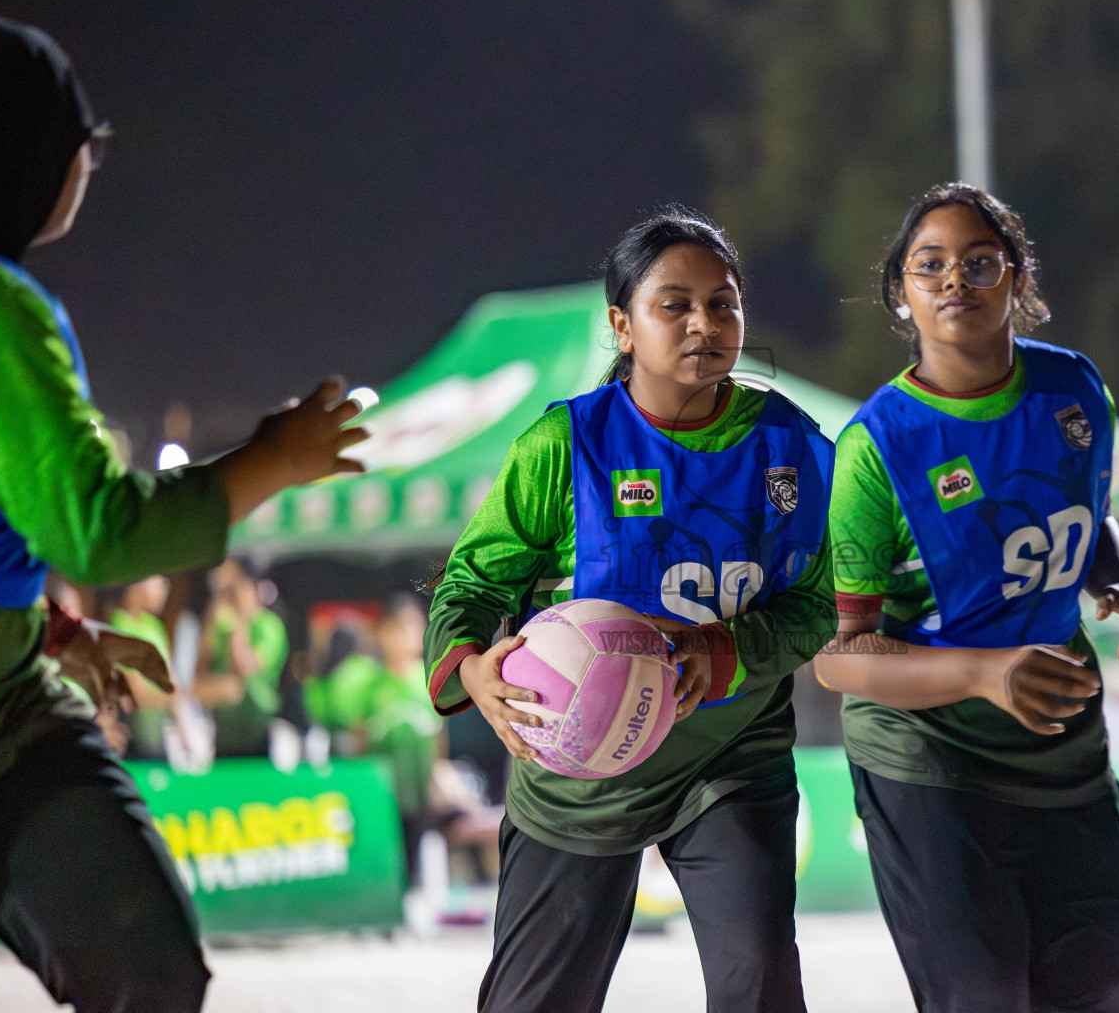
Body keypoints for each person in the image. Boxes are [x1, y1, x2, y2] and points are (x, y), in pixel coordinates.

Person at [0, 17, 368, 1013]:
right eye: (85, 142)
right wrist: (267, 461)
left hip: (12, 704)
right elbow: (97, 531)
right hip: (2, 728)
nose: (90, 163)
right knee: (145, 975)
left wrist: (56, 630)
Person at [426, 207, 835, 1013]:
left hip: (728, 758)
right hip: (579, 770)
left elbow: (820, 602)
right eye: (673, 304)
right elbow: (472, 585)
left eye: (723, 303)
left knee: (758, 981)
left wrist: (723, 654)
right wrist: (471, 667)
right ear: (622, 324)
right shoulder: (565, 445)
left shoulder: (792, 445)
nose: (704, 323)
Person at [813, 182, 1119, 1013]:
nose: (953, 282)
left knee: (1108, 997)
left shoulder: (1075, 392)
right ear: (901, 292)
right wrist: (982, 674)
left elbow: (1088, 519)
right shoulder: (877, 448)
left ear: (1017, 278)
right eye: (928, 266)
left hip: (1064, 749)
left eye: (979, 263)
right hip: (931, 758)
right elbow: (839, 656)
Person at [307, 592, 441, 876]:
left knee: (412, 866)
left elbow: (437, 735)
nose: (406, 635)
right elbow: (349, 734)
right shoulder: (364, 680)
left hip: (416, 793)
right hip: (377, 794)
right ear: (383, 632)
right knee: (379, 868)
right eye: (398, 627)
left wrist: (438, 776)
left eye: (413, 627)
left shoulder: (428, 680)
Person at [193, 558, 289, 757]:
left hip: (257, 736)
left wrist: (240, 619)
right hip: (223, 736)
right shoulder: (220, 621)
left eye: (234, 586)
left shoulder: (269, 626)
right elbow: (199, 671)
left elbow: (244, 666)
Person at [110, 574, 174, 757]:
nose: (164, 587)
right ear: (137, 585)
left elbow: (171, 680)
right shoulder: (119, 625)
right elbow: (134, 693)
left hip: (158, 729)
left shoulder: (155, 626)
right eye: (157, 581)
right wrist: (176, 699)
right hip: (135, 733)